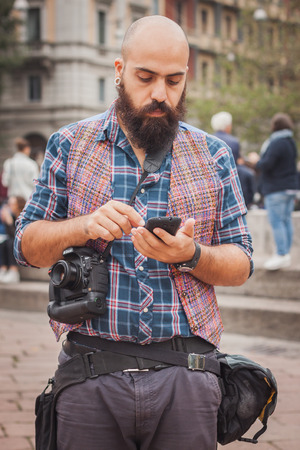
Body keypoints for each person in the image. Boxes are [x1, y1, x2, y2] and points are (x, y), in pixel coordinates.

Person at [14, 16, 253, 450]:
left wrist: (192, 254)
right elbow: (26, 245)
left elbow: (241, 265)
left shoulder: (213, 155)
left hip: (189, 375)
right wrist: (84, 225)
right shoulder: (70, 144)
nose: (160, 93)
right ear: (120, 70)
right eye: (146, 77)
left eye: (174, 80)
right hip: (89, 375)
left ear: (186, 78)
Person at [247, 112, 298, 271]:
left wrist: (256, 161)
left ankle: (281, 254)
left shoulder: (277, 142)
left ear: (275, 126)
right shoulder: (290, 142)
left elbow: (266, 165)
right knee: (286, 220)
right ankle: (286, 254)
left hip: (276, 189)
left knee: (276, 221)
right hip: (290, 188)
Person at [211, 111, 256, 208]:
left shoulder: (208, 139)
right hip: (229, 177)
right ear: (227, 126)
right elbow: (236, 162)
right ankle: (247, 203)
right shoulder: (233, 141)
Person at [0, 195, 26, 283]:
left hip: (24, 243)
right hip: (13, 242)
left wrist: (10, 222)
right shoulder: (12, 216)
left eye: (12, 204)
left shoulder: (24, 217)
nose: (9, 206)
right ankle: (3, 269)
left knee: (11, 242)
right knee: (4, 242)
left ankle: (13, 271)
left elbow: (18, 235)